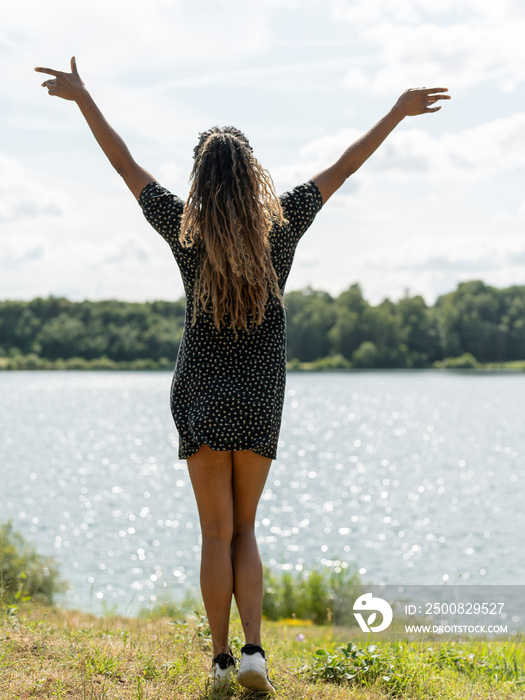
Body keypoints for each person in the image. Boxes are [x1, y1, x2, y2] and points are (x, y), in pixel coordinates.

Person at [35, 57, 450, 693]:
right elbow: (343, 167)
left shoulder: (184, 230)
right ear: (253, 175)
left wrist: (84, 98)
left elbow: (125, 166)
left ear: (200, 181)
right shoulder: (281, 227)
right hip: (260, 395)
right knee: (247, 531)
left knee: (214, 534)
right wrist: (396, 111)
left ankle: (223, 660)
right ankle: (256, 652)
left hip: (200, 391)